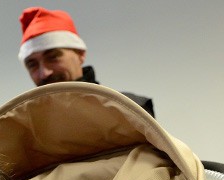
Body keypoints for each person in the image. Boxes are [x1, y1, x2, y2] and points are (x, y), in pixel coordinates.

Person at [18, 6, 155, 117]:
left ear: (80, 54)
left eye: (53, 57)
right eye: (32, 65)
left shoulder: (131, 110)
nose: (44, 73)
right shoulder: (29, 128)